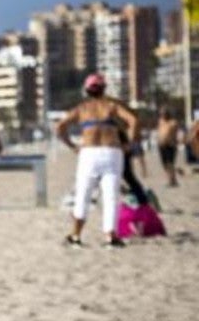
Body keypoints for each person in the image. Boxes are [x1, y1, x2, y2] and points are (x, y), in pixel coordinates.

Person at [55, 73, 139, 247]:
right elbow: (133, 121)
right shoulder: (111, 106)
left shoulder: (82, 109)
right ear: (104, 89)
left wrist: (71, 145)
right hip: (112, 152)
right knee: (110, 196)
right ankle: (110, 236)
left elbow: (60, 127)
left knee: (83, 195)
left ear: (87, 90)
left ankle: (76, 235)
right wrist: (129, 144)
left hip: (89, 153)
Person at [156, 109, 182, 187]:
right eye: (161, 114)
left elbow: (174, 133)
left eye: (164, 114)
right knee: (164, 164)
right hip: (161, 145)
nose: (162, 115)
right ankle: (170, 179)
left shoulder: (173, 122)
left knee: (170, 163)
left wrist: (171, 140)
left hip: (170, 145)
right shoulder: (160, 121)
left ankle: (172, 180)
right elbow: (160, 131)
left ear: (168, 114)